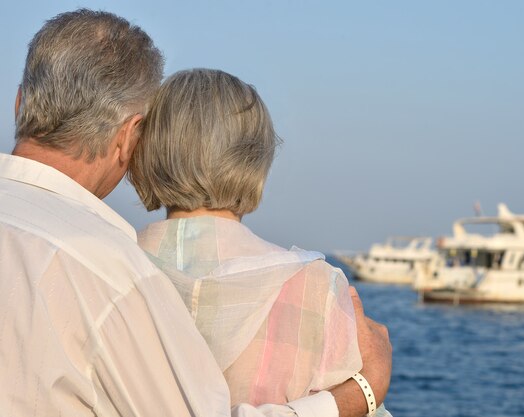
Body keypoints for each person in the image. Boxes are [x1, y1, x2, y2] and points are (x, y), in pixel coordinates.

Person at [0, 9, 392, 417]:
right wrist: (365, 390)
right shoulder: (114, 272)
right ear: (128, 138)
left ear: (18, 103)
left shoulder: (123, 258)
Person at [128, 69, 390, 417]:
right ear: (255, 160)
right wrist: (369, 390)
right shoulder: (316, 287)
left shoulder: (103, 265)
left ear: (148, 150)